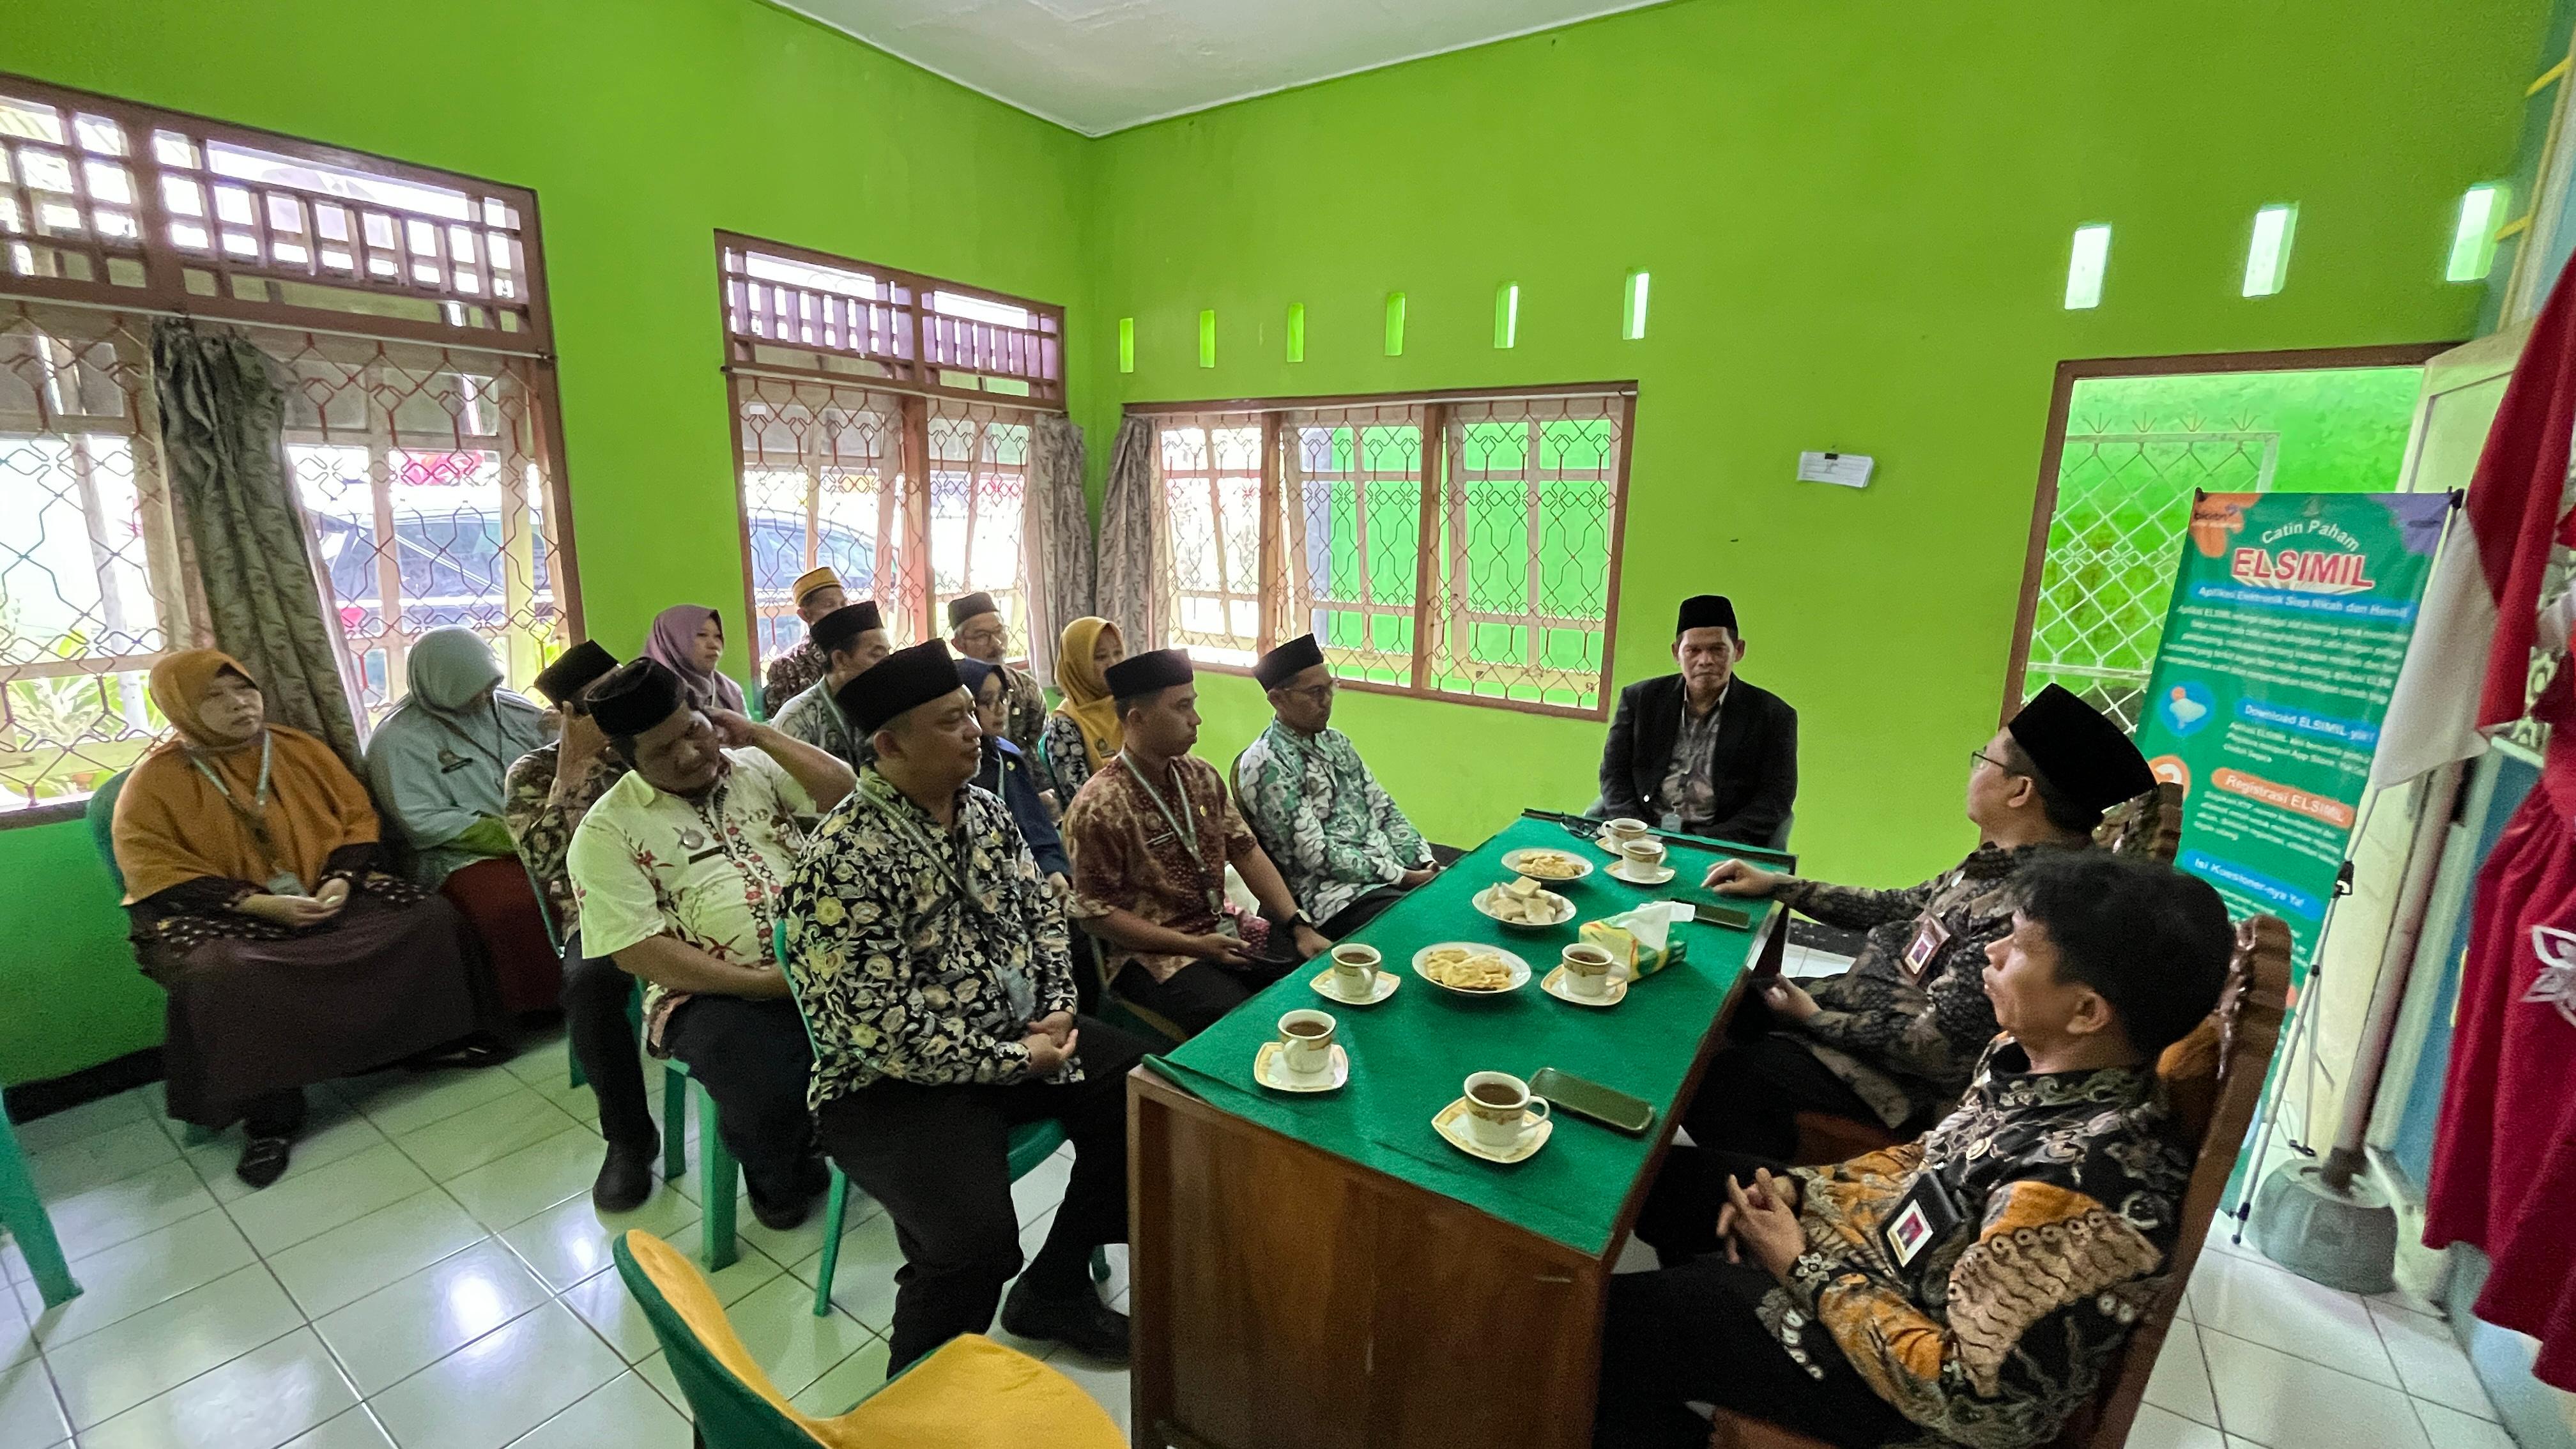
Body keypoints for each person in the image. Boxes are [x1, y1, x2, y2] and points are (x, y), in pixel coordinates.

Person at [1595, 852, 2233, 1449]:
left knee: (1616, 1328)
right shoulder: (2032, 1058)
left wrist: (1797, 1265)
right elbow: (1927, 1157)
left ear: (2087, 1011)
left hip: (1906, 1395)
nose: (1992, 952)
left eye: (2017, 947)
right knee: (1670, 1183)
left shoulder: (2079, 1191)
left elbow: (1977, 1403)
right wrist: (1802, 1190)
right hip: (1881, 1266)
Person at [784, 641, 1149, 1373]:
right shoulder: (844, 859)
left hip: (1016, 1036)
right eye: (951, 721)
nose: (976, 731)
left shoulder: (983, 810)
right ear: (889, 746)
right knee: (974, 1247)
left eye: (970, 714)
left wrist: (1058, 1004)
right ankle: (913, 1403)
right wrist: (1017, 1059)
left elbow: (1044, 915)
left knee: (1145, 1100)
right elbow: (882, 1032)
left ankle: (1055, 1287)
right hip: (891, 1087)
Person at [1680, 684, 2156, 1161]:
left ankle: (1746, 1189)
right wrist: (1779, 885)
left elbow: (1937, 1051)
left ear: (2020, 790)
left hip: (1890, 1080)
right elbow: (1902, 905)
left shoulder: (2031, 911)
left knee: (1719, 1082)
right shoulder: (2000, 862)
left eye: (1984, 760)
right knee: (1720, 999)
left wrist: (1814, 1019)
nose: (1974, 772)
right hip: (1859, 1008)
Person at [112, 650, 499, 1188]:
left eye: (244, 690)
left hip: (326, 890)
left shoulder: (299, 749)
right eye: (214, 697)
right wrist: (258, 903)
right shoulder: (153, 782)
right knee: (222, 974)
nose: (238, 705)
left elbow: (357, 818)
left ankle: (426, 1045)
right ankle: (270, 1118)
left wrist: (340, 880)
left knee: (427, 918)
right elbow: (153, 867)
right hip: (225, 912)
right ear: (179, 708)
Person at [565, 657, 856, 1228]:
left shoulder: (754, 765)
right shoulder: (606, 831)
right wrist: (764, 984)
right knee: (759, 1067)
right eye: (662, 751)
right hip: (706, 991)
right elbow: (638, 950)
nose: (690, 754)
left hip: (825, 956)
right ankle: (778, 1177)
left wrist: (761, 735)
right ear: (627, 760)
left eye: (693, 730)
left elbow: (844, 795)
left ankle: (863, 1144)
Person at [1062, 648, 1334, 1037]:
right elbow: (1096, 916)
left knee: (1312, 982)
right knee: (1248, 1025)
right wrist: (1194, 946)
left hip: (1220, 929)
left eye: (1194, 703)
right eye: (1182, 707)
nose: (1196, 719)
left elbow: (1246, 851)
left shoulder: (1200, 776)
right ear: (1137, 720)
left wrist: (1298, 924)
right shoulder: (1099, 806)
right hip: (1153, 955)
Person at [502, 639, 659, 1210]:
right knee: (589, 984)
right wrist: (573, 768)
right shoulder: (534, 771)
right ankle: (629, 1140)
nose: (616, 703)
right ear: (568, 713)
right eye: (598, 698)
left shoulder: (654, 740)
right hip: (597, 905)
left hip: (681, 887)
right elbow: (544, 862)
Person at [365, 627, 557, 1015]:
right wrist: (507, 835)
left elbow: (555, 756)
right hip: (461, 850)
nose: (486, 697)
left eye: (490, 685)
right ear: (440, 685)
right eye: (472, 690)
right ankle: (537, 1008)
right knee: (511, 906)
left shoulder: (510, 707)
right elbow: (422, 820)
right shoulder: (398, 740)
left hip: (541, 829)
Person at [1234, 633, 1436, 936]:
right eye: (1315, 692)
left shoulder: (1336, 742)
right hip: (1333, 897)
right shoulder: (1266, 764)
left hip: (1387, 872)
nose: (1326, 700)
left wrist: (1422, 860)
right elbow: (1315, 854)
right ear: (1277, 699)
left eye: (1330, 688)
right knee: (1422, 924)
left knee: (1459, 891)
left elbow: (1383, 808)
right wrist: (1402, 876)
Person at [1598, 595, 1797, 847]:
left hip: (1721, 841)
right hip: (1644, 831)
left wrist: (1708, 843)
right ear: (1676, 653)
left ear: (1738, 650)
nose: (1705, 660)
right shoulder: (1640, 700)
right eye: (1693, 650)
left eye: (1717, 650)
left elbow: (1775, 799)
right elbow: (1614, 774)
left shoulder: (1773, 715)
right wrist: (1637, 830)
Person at [958, 656, 1071, 884]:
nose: (1000, 708)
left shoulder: (1006, 756)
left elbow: (1035, 827)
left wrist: (1053, 870)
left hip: (1028, 875)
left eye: (1003, 697)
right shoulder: (956, 767)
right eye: (987, 701)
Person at [769, 600, 891, 769]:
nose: (887, 663)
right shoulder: (795, 720)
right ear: (840, 659)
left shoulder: (886, 705)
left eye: (888, 653)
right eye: (876, 655)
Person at [1037, 616, 1124, 806]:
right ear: (1077, 664)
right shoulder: (1065, 726)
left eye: (1118, 653)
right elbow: (1082, 801)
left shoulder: (1131, 705)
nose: (1113, 663)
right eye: (1100, 657)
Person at [947, 590, 1046, 755]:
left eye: (1000, 631)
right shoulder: (951, 693)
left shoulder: (1027, 687)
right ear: (958, 645)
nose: (997, 643)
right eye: (982, 636)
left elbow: (1038, 750)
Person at [761, 566, 846, 716]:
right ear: (805, 615)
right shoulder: (786, 666)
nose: (840, 611)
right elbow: (781, 726)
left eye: (843, 604)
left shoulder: (859, 653)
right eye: (829, 605)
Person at [645, 602, 747, 715]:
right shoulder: (644, 691)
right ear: (672, 640)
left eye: (718, 636)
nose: (714, 645)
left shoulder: (729, 693)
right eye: (702, 635)